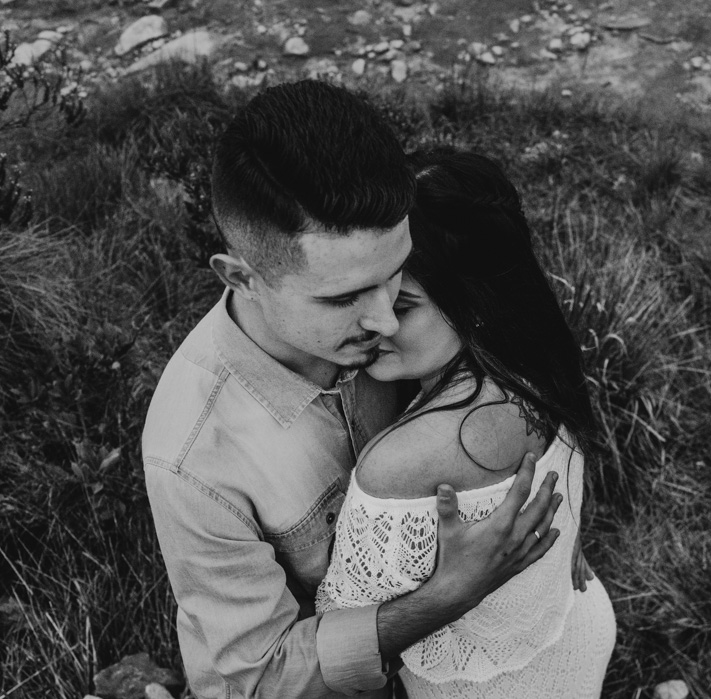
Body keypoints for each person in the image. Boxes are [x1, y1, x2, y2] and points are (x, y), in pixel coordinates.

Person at [141, 80, 562, 699]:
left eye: (395, 275)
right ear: (242, 278)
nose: (386, 320)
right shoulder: (192, 458)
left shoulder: (388, 314)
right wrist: (451, 593)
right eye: (344, 298)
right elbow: (263, 678)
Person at [316, 148, 617, 698]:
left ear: (474, 304)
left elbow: (343, 649)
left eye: (401, 306)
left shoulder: (400, 463)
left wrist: (450, 592)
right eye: (360, 292)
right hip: (575, 623)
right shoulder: (541, 361)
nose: (374, 321)